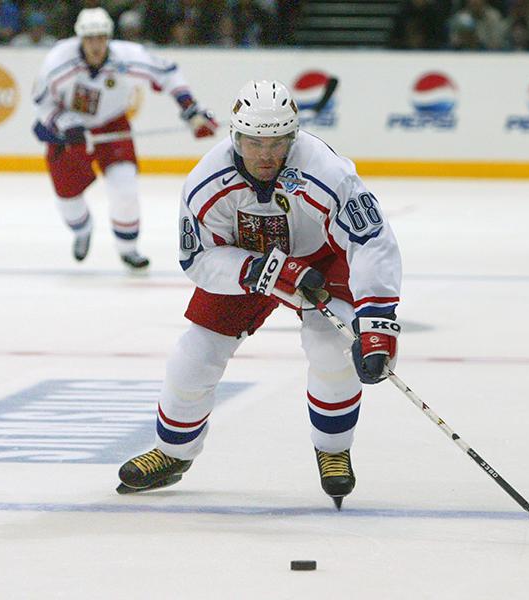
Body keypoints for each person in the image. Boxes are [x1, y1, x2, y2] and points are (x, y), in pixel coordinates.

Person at [116, 80, 403, 509]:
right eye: (254, 142)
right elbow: (198, 260)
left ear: (293, 137)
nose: (265, 155)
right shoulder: (204, 183)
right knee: (196, 351)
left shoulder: (330, 172)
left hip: (322, 258)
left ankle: (333, 448)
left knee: (332, 348)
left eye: (277, 142)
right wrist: (265, 270)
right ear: (235, 136)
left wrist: (378, 323)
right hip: (245, 264)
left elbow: (371, 240)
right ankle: (173, 452)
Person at [32, 7, 218, 269]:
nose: (96, 45)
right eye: (90, 39)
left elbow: (167, 72)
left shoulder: (127, 57)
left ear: (109, 37)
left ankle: (128, 248)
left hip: (112, 127)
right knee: (68, 197)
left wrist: (190, 108)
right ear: (80, 39)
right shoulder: (58, 62)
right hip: (70, 134)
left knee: (125, 188)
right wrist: (66, 124)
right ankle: (82, 230)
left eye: (101, 38)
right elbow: (41, 104)